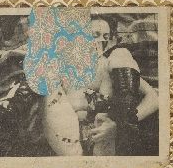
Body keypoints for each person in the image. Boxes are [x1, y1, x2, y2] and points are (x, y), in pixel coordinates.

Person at [43, 18, 159, 156]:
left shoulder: (108, 66)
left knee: (121, 54)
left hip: (102, 144)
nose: (100, 41)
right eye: (95, 35)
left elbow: (154, 98)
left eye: (105, 36)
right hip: (68, 143)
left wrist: (120, 126)